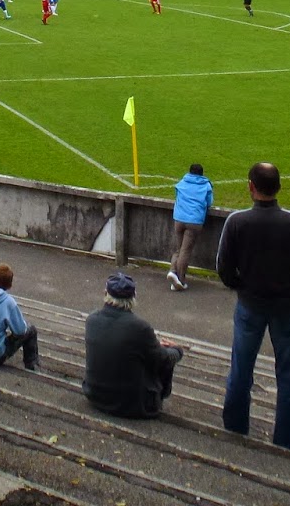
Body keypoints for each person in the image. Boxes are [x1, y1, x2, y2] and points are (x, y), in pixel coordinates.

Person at [216, 161, 290, 453]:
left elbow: (223, 268)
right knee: (289, 375)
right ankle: (287, 441)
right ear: (278, 187)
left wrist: (242, 285)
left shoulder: (237, 222)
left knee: (241, 368)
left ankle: (235, 429)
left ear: (250, 187)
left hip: (250, 305)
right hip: (287, 307)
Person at [82, 273, 182, 419]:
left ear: (105, 293)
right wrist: (177, 350)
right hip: (132, 406)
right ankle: (159, 398)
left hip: (94, 395)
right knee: (163, 356)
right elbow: (163, 359)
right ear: (133, 297)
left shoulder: (91, 320)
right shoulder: (140, 328)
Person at [168, 162, 213, 291]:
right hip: (194, 221)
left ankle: (173, 272)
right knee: (185, 250)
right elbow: (209, 202)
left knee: (178, 248)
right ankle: (181, 280)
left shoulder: (182, 182)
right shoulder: (206, 185)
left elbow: (177, 196)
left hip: (179, 218)